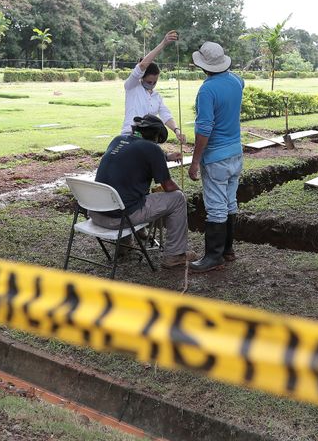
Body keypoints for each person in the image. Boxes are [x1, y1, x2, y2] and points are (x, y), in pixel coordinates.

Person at [91, 114, 190, 269]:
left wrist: (165, 157)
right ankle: (175, 255)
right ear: (156, 136)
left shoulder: (118, 140)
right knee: (177, 198)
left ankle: (125, 244)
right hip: (119, 220)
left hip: (97, 214)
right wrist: (183, 193)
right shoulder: (152, 149)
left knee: (124, 189)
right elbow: (169, 187)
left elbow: (137, 153)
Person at [187, 42, 244, 273]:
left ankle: (213, 257)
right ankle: (227, 251)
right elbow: (240, 84)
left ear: (203, 66)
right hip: (236, 153)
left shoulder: (207, 90)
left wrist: (195, 161)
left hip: (216, 157)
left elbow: (204, 129)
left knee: (216, 208)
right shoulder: (237, 81)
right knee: (230, 202)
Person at [120, 30, 186, 144]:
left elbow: (166, 115)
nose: (151, 85)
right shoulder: (132, 87)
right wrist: (163, 44)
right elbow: (142, 65)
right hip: (130, 137)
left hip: (149, 140)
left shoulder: (157, 97)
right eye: (148, 82)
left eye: (154, 82)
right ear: (141, 78)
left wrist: (177, 130)